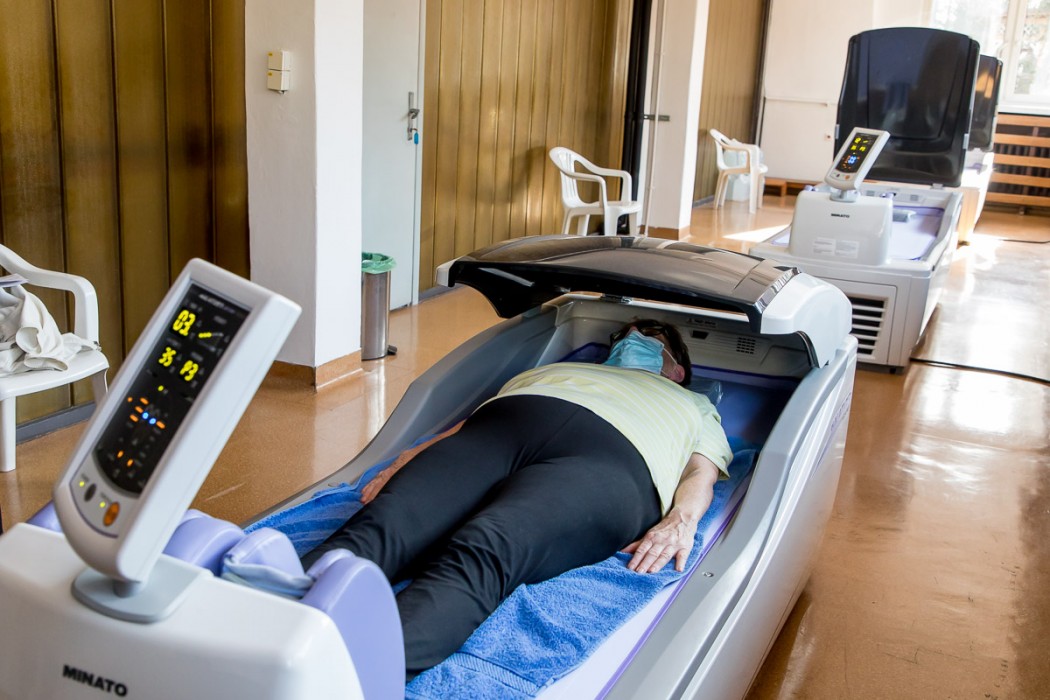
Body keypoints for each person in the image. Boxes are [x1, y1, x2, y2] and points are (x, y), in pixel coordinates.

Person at [300, 319, 733, 678]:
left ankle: (342, 680)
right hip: (505, 425)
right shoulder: (555, 370)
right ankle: (273, 626)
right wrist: (410, 457)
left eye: (652, 339)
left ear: (677, 370)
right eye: (625, 336)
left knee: (486, 547)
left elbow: (702, 470)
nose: (633, 339)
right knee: (390, 519)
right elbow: (466, 425)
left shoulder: (694, 404)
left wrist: (682, 520)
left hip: (614, 460)